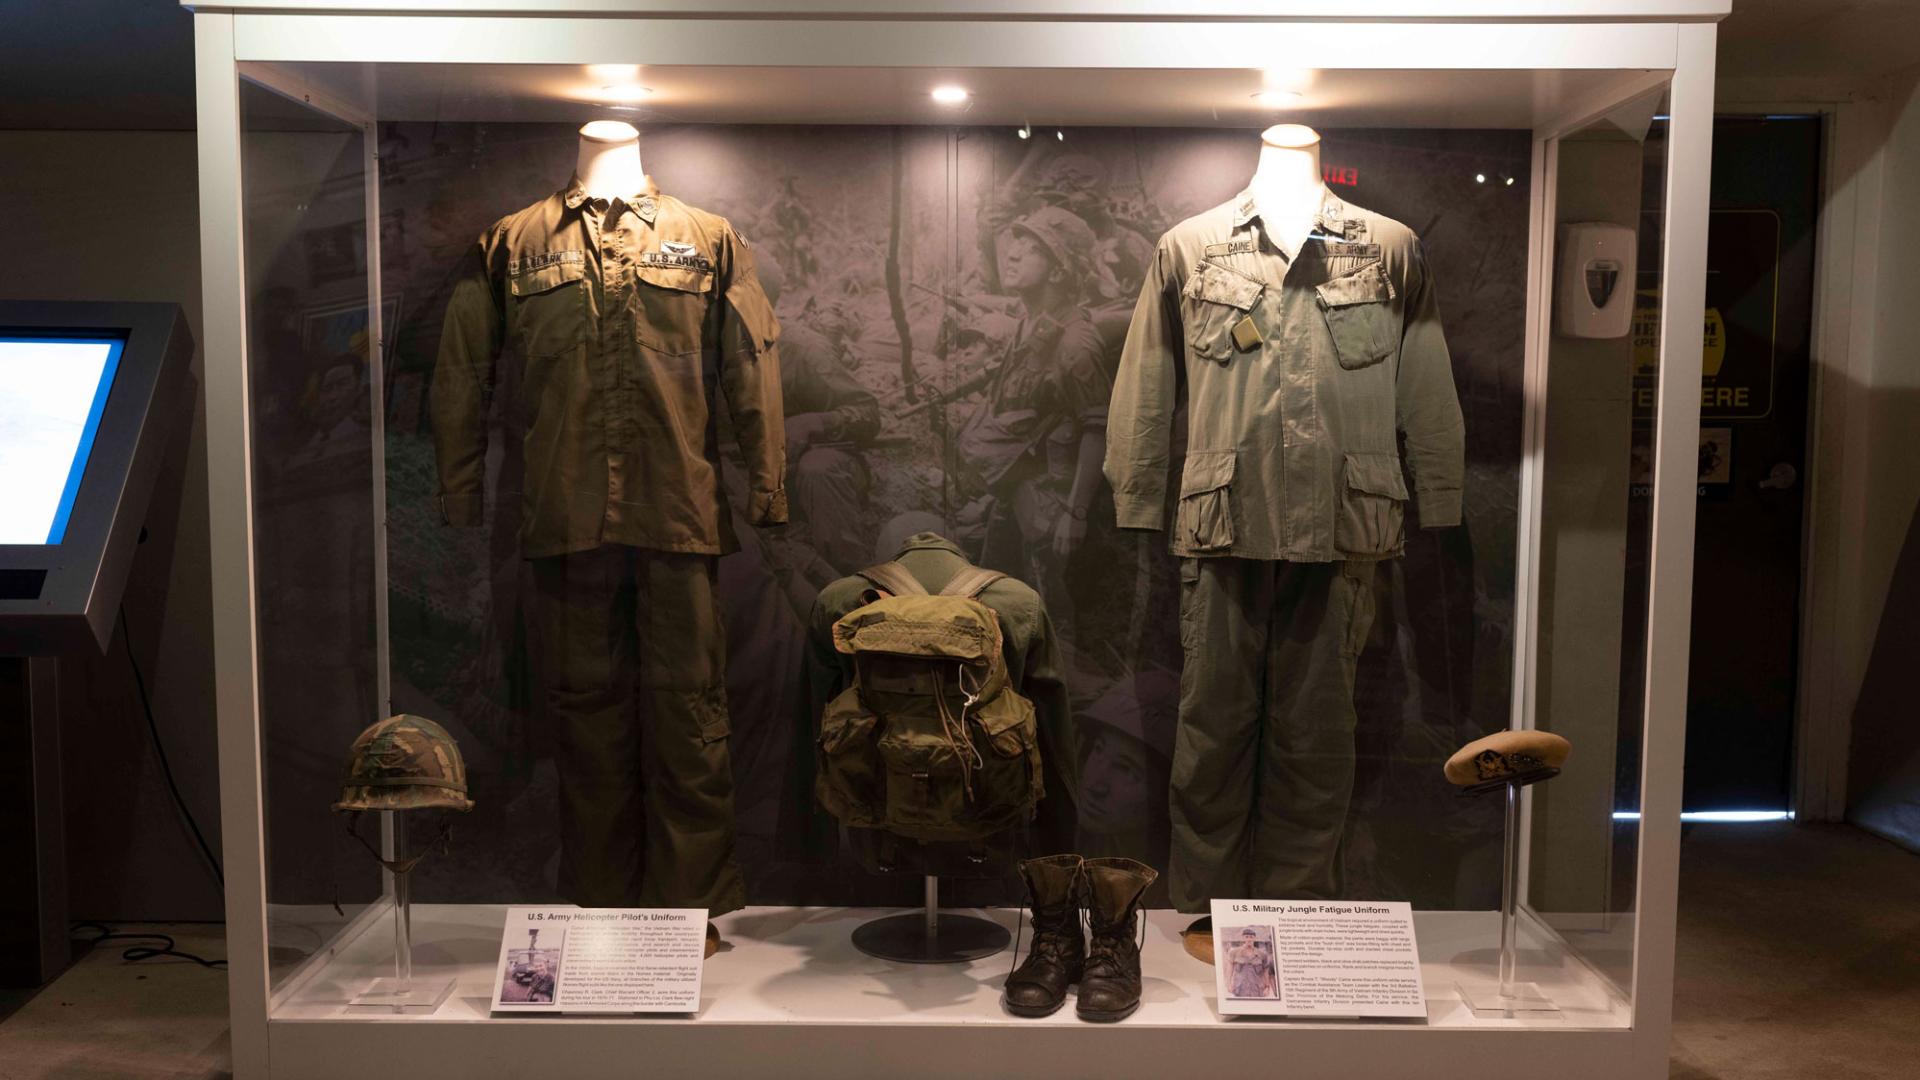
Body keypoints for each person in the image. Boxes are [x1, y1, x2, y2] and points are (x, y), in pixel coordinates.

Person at [955, 205, 1110, 643]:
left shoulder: (1076, 343)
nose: (1014, 254)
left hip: (1049, 505)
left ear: (1060, 271)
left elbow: (1096, 431)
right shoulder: (1028, 324)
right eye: (1015, 243)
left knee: (1050, 617)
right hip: (1015, 491)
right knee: (994, 606)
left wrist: (1075, 514)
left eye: (1033, 248)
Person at [1227, 928, 1275, 999]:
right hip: (1240, 989)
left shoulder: (1262, 954)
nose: (1249, 939)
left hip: (1257, 990)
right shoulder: (1234, 952)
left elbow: (1265, 971)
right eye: (1246, 937)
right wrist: (1229, 984)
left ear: (1254, 938)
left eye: (1251, 937)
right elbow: (1229, 968)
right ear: (1243, 938)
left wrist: (1267, 987)